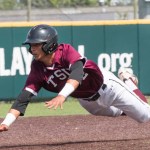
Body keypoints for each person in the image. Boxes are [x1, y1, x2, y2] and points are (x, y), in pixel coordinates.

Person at [0, 24, 150, 132]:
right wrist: (6, 123)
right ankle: (129, 101)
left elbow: (77, 74)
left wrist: (61, 95)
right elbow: (23, 98)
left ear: (49, 45)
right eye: (31, 44)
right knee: (120, 112)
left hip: (108, 87)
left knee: (145, 116)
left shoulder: (65, 51)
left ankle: (127, 80)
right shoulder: (37, 68)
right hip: (87, 101)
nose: (32, 48)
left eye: (37, 44)